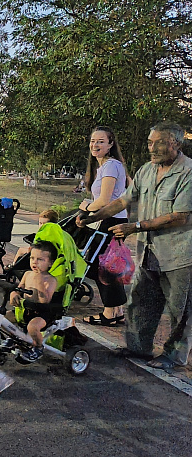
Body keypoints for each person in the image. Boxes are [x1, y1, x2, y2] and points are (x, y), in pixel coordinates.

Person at [77, 122, 192, 369]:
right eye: (150, 142)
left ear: (176, 144)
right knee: (140, 301)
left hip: (179, 254)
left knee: (178, 309)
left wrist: (136, 227)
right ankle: (138, 348)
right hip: (149, 251)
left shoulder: (188, 172)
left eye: (159, 142)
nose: (152, 148)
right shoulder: (147, 171)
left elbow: (179, 215)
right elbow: (122, 201)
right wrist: (92, 217)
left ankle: (174, 356)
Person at [79, 126, 130, 327]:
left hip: (112, 220)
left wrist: (85, 207)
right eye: (93, 141)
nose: (95, 145)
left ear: (110, 145)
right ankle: (116, 311)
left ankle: (110, 313)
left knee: (101, 266)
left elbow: (105, 200)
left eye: (101, 141)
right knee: (109, 266)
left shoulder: (111, 165)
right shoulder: (105, 166)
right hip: (111, 219)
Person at [7, 241, 58, 362]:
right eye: (32, 258)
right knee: (5, 318)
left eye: (40, 259)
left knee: (32, 327)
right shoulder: (27, 274)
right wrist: (14, 293)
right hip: (25, 309)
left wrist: (39, 280)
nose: (35, 262)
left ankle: (38, 347)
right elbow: (19, 288)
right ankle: (14, 338)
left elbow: (44, 300)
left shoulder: (51, 280)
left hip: (42, 313)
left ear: (50, 263)